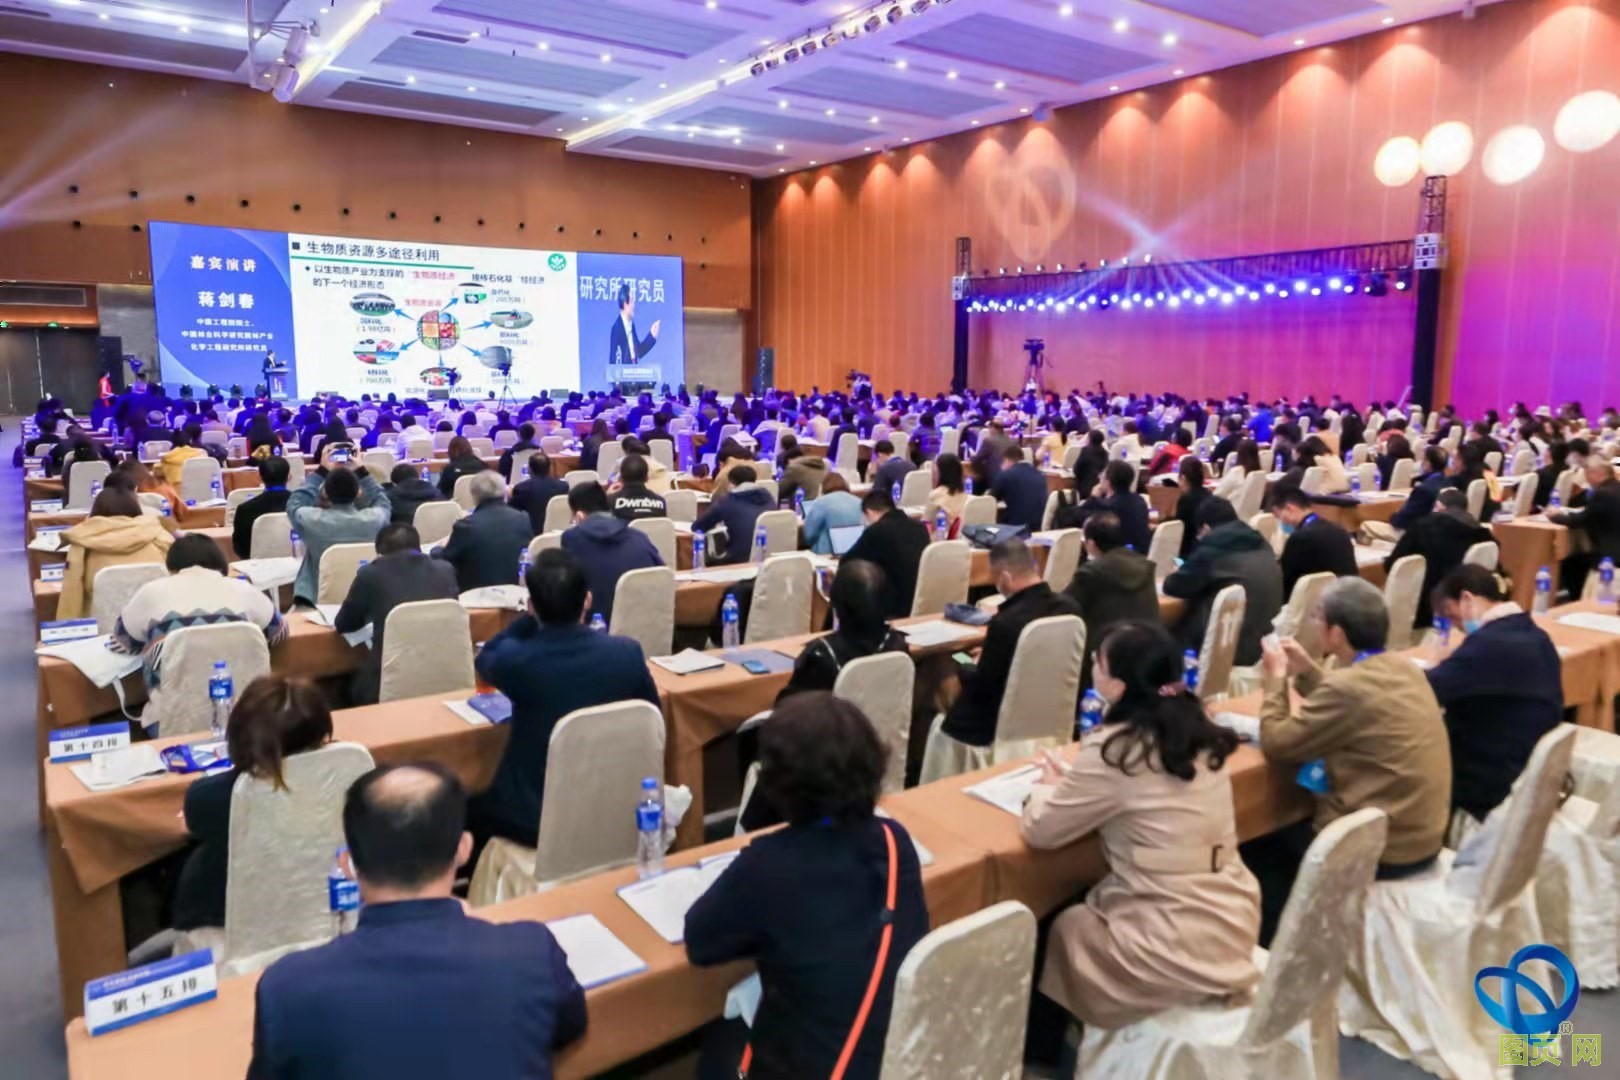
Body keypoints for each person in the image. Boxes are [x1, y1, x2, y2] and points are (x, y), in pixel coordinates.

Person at [249, 763, 587, 1078]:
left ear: (348, 865)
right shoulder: (531, 951)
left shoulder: (288, 987)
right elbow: (569, 1026)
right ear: (463, 849)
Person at [1022, 622, 1260, 1041]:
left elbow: (1042, 831)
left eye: (1098, 662)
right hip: (1233, 912)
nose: (1092, 667)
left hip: (1166, 936)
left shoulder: (1116, 748)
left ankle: (1056, 1050)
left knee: (1063, 924)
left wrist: (1045, 790)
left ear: (1116, 685)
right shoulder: (1201, 729)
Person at [687, 694, 928, 1080]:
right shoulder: (894, 840)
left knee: (719, 1043)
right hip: (893, 1053)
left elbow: (700, 942)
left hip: (814, 1065)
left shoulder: (768, 864)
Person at [1249, 577, 1451, 941]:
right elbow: (1355, 703)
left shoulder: (1349, 688)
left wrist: (1276, 679)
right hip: (1423, 836)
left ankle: (1288, 950)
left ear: (1337, 633)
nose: (1315, 625)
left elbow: (1277, 743)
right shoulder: (1404, 668)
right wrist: (1308, 671)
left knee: (1258, 843)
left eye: (1318, 618)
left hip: (1383, 851)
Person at [469, 549, 659, 848]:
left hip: (535, 819)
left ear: (531, 606)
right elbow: (653, 717)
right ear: (587, 600)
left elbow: (485, 658)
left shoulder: (517, 661)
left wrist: (528, 619)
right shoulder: (627, 653)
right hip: (611, 804)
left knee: (469, 800)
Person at [174, 677, 332, 933]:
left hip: (221, 924)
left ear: (237, 737)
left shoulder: (208, 797)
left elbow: (190, 825)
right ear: (323, 734)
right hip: (319, 915)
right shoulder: (341, 782)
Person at [1426, 565, 1563, 825]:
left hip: (1491, 783)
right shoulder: (1536, 634)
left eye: (1453, 618)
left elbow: (1426, 691)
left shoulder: (1487, 646)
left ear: (1467, 599)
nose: (1459, 629)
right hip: (1528, 769)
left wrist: (1434, 661)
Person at [930, 539, 1081, 761]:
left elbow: (981, 684)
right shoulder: (1069, 609)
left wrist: (965, 661)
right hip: (1047, 711)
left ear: (1005, 578)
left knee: (943, 663)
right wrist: (991, 653)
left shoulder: (1006, 623)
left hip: (992, 722)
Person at [114, 533, 286, 718]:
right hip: (250, 718)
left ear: (171, 566)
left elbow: (124, 642)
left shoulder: (150, 592)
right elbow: (279, 632)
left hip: (170, 720)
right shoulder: (244, 589)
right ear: (220, 561)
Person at [334, 524, 461, 705]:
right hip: (443, 672)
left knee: (340, 685)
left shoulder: (370, 574)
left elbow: (344, 623)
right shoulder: (446, 570)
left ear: (379, 553)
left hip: (386, 678)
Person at [1162, 498, 1283, 667]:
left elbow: (1173, 586)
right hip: (1262, 645)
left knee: (1161, 633)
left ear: (1205, 528)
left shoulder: (1213, 546)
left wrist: (1178, 572)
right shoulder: (1261, 543)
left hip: (1224, 648)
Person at [285, 446, 392, 606]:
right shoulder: (375, 519)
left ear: (325, 493)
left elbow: (294, 503)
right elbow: (382, 501)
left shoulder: (311, 519)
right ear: (358, 492)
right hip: (366, 596)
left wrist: (321, 471)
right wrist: (362, 471)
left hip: (316, 597)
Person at [1063, 513, 1160, 689]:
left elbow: (1064, 608)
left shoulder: (1091, 573)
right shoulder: (1144, 565)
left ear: (1091, 544)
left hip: (1105, 657)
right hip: (1148, 649)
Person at [56, 487, 175, 620]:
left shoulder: (81, 545)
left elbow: (71, 593)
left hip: (101, 626)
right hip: (155, 623)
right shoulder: (160, 536)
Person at [1385, 488, 1494, 628]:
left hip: (1426, 609)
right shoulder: (1484, 534)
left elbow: (1392, 566)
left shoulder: (1423, 527)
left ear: (1438, 506)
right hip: (1470, 611)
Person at [558, 482, 663, 624]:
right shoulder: (640, 537)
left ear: (579, 517)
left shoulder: (572, 539)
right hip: (647, 625)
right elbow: (663, 575)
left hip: (596, 628)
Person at [433, 471, 534, 592]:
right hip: (515, 591)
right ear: (504, 492)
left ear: (474, 496)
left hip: (474, 594)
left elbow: (445, 560)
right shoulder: (523, 519)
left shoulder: (466, 526)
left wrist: (437, 549)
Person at [842, 489, 931, 620]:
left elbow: (847, 563)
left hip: (895, 607)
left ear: (869, 512)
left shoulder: (877, 530)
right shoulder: (919, 527)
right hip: (921, 601)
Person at [1272, 487, 1359, 597]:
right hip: (1350, 595)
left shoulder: (1299, 538)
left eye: (1279, 516)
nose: (1281, 522)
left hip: (1321, 601)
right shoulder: (1338, 529)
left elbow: (1286, 583)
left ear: (1290, 508)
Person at [1550, 458, 1620, 593]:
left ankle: (1576, 598)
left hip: (1611, 555)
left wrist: (1555, 517)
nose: (1587, 480)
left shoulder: (1602, 494)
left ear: (1597, 474)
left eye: (1587, 475)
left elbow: (1581, 520)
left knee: (1570, 562)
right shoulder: (1615, 488)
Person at [691, 465, 777, 565]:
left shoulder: (727, 501)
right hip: (771, 557)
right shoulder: (767, 496)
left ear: (731, 483)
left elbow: (698, 526)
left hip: (739, 559)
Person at [1079, 461, 1151, 553]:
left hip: (1119, 556)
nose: (1099, 476)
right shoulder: (1139, 500)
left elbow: (1077, 517)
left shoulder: (1107, 506)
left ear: (1107, 482)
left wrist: (1093, 498)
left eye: (1102, 474)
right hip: (1141, 554)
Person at [231, 456, 294, 559]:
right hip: (298, 564)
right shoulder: (303, 504)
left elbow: (240, 549)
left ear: (260, 477)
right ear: (289, 477)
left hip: (257, 566)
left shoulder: (245, 510)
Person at [1390, 446, 1453, 531]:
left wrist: (1391, 517)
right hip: (1435, 529)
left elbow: (1402, 520)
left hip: (1412, 532)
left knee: (1371, 526)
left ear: (1428, 463)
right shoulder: (1449, 483)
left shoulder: (1423, 489)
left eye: (1424, 460)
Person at [802, 471, 864, 555]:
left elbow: (809, 535)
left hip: (827, 554)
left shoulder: (821, 503)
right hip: (857, 552)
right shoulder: (859, 501)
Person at [990, 446, 1049, 532]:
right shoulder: (1040, 475)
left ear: (1006, 460)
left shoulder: (1006, 475)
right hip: (1039, 527)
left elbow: (990, 501)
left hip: (1016, 528)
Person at [508, 452, 569, 534]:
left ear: (529, 469)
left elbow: (511, 512)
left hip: (532, 535)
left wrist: (508, 496)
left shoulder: (522, 488)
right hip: (558, 533)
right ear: (550, 468)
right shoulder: (563, 486)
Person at [608, 281, 660, 371]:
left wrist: (652, 336)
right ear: (625, 303)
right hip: (623, 377)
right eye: (632, 301)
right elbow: (613, 361)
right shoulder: (617, 329)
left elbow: (638, 352)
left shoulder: (631, 325)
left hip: (633, 375)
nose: (634, 305)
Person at [382, 463, 445, 528]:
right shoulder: (438, 494)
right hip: (439, 532)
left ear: (394, 484)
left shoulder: (390, 500)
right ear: (418, 477)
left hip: (404, 533)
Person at [1172, 456, 1211, 558]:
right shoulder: (1208, 494)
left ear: (1182, 478)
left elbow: (1180, 531)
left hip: (1188, 555)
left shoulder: (1186, 500)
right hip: (1205, 552)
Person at [609, 454, 668, 521]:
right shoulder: (660, 502)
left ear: (621, 478)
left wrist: (608, 496)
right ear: (647, 478)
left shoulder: (612, 501)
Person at [923, 453, 970, 537]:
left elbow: (925, 524)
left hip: (938, 540)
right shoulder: (965, 495)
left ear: (940, 473)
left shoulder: (936, 495)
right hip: (960, 540)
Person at [778, 440, 830, 507]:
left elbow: (779, 491)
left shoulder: (794, 468)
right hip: (827, 504)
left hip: (810, 507)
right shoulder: (821, 464)